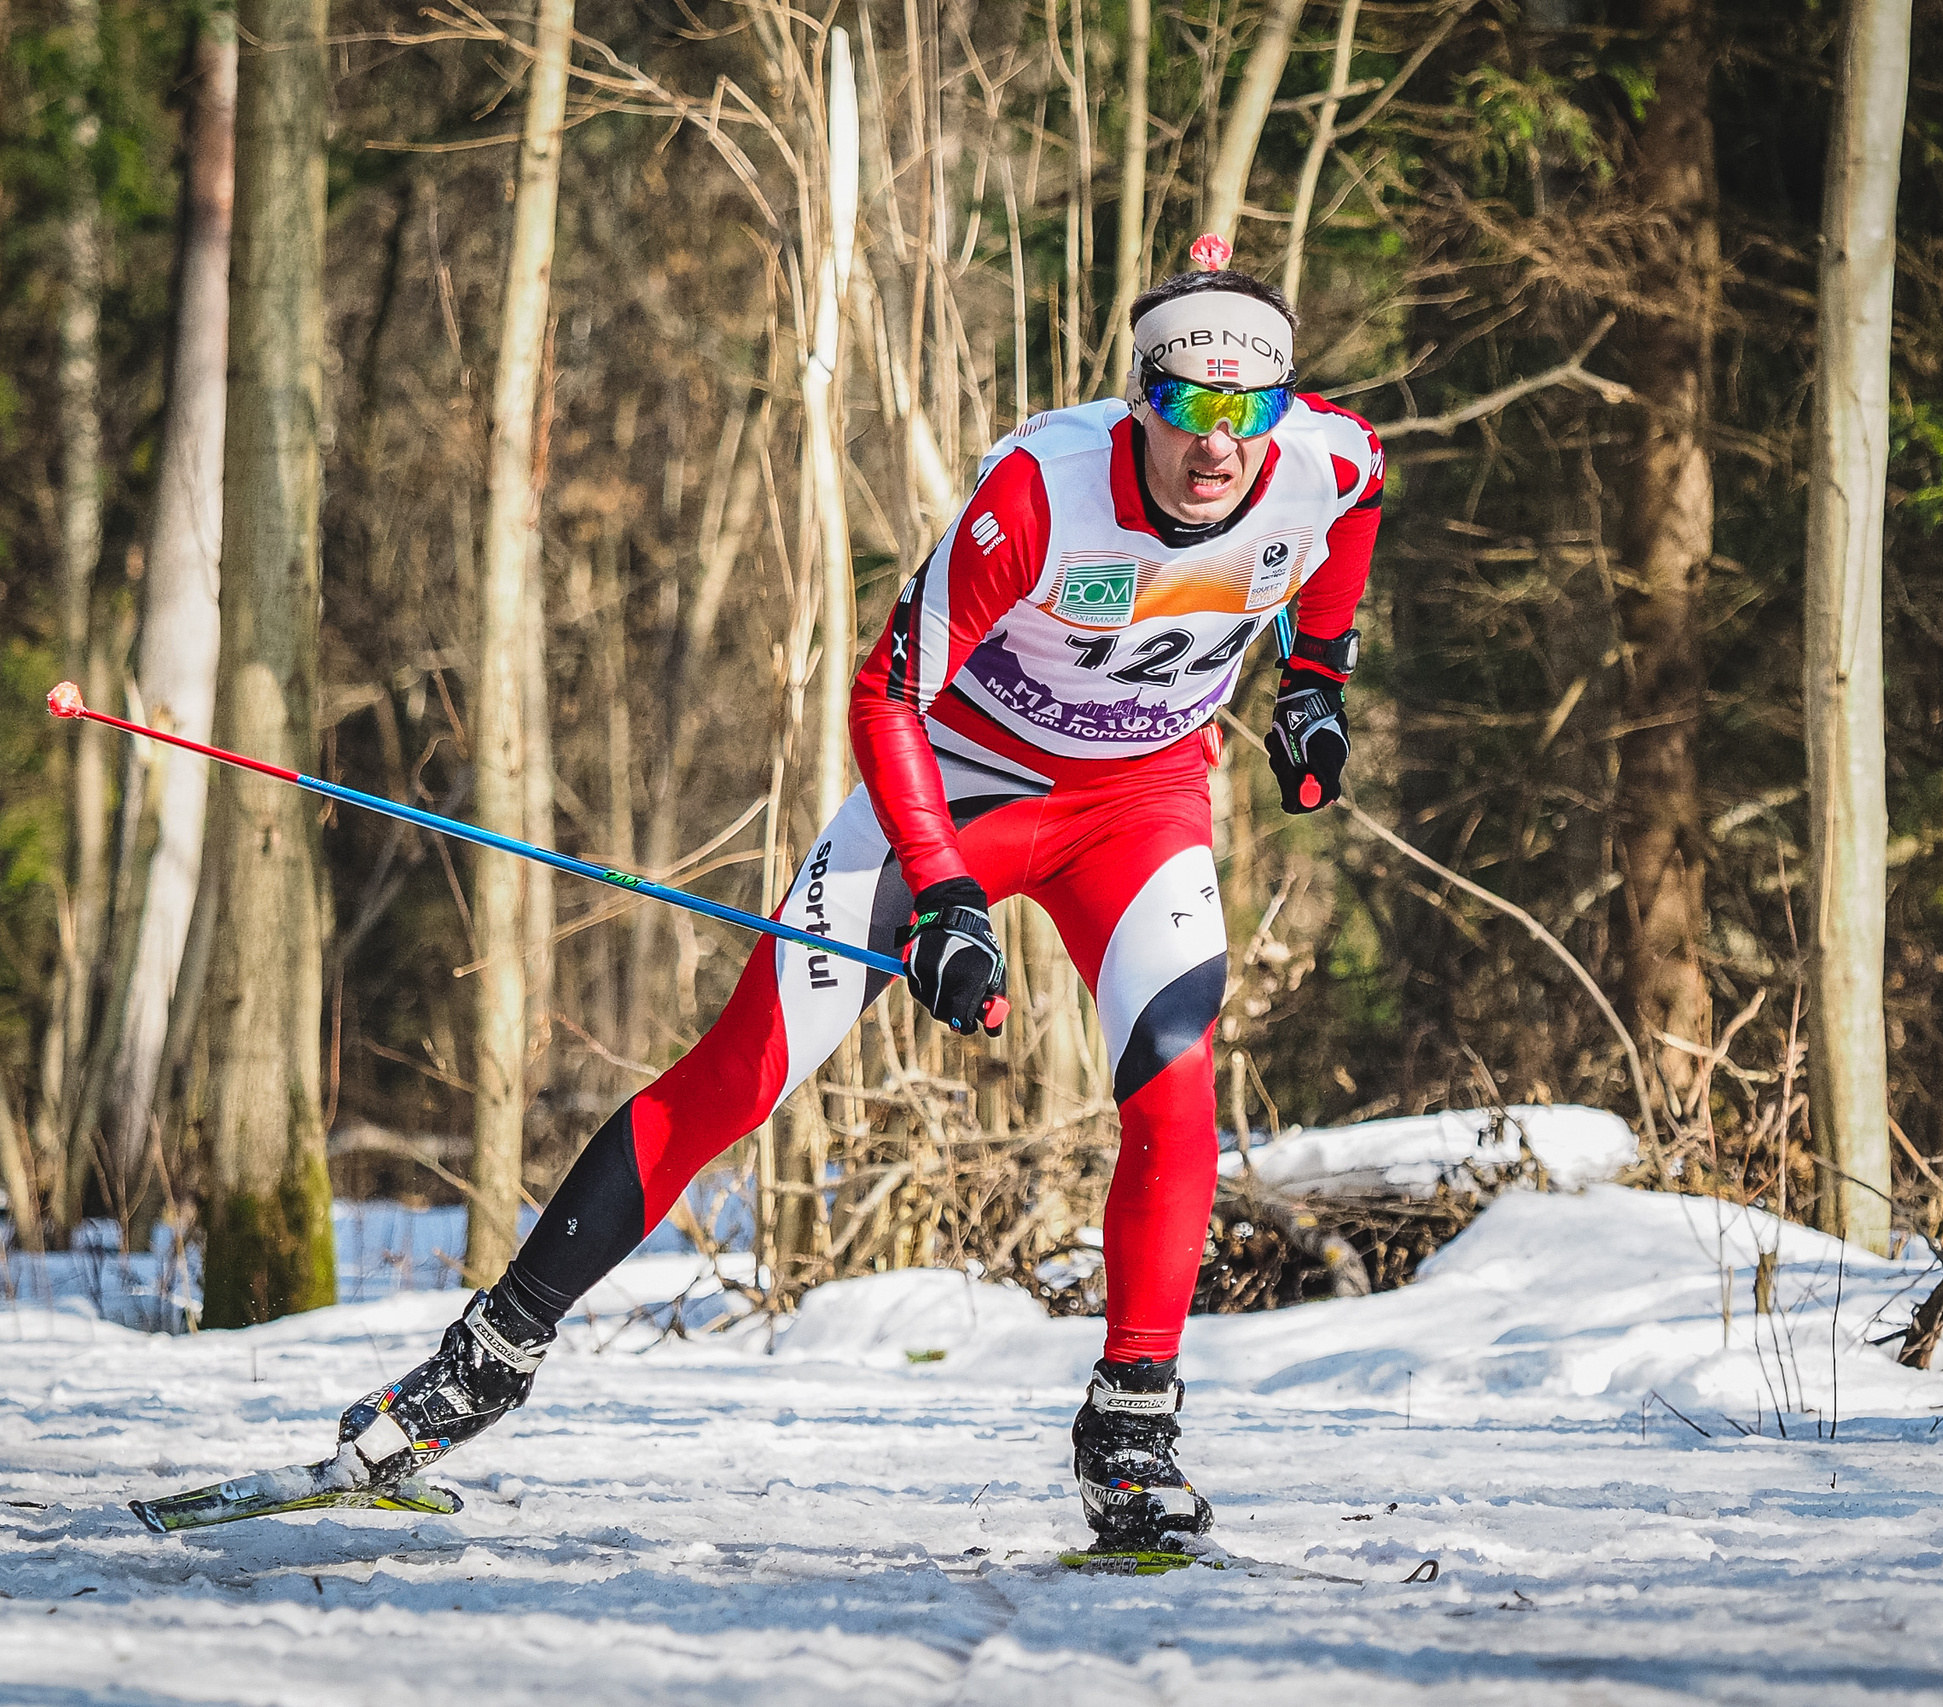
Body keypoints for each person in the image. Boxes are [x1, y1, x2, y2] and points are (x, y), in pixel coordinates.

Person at [333, 235, 1384, 1552]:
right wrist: (941, 894)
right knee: (746, 1070)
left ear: (1281, 408)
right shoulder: (1043, 494)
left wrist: (1317, 682)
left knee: (1174, 1077)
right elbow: (887, 692)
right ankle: (481, 1361)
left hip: (1139, 803)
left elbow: (1355, 515)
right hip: (961, 782)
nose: (1216, 443)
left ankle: (1131, 1432)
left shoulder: (1326, 460)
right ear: (1139, 399)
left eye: (1247, 409)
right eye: (1185, 403)